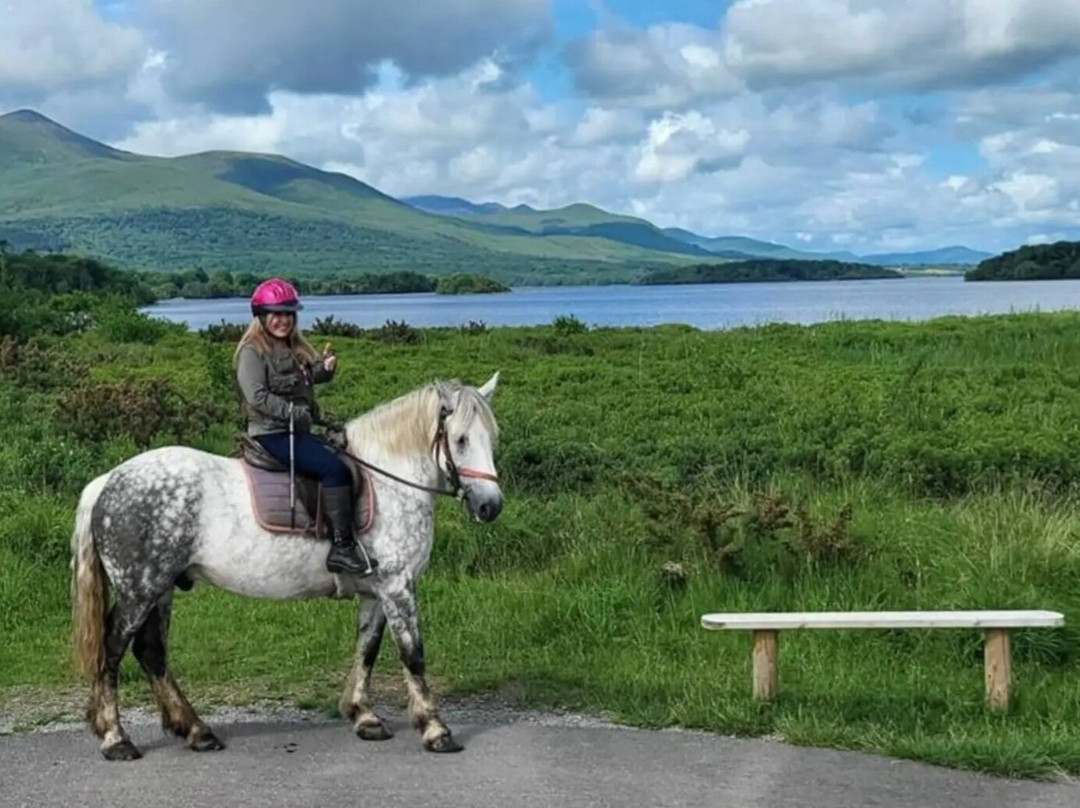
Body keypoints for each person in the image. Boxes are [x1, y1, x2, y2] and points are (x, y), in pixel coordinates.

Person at [234, 277, 374, 576]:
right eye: (277, 314)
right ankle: (341, 548)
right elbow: (256, 395)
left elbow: (303, 379)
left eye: (288, 314)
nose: (283, 320)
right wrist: (291, 413)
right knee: (333, 468)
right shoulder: (251, 351)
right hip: (272, 432)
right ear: (261, 317)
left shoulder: (292, 347)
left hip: (296, 429)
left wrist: (323, 370)